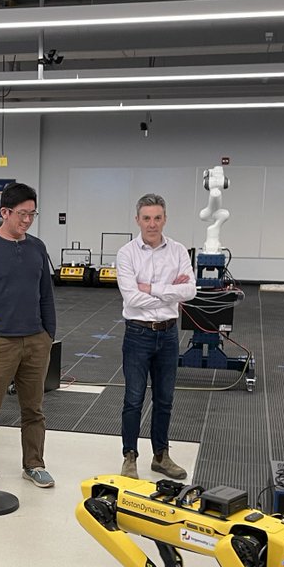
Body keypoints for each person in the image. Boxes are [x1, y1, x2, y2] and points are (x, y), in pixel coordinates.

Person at [0, 182, 57, 489]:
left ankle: (34, 464)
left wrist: (48, 334)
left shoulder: (38, 248)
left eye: (32, 214)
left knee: (33, 409)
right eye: (22, 214)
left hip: (35, 340)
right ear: (4, 212)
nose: (27, 220)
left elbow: (46, 295)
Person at [115, 193, 197, 481]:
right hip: (137, 334)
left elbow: (189, 291)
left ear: (165, 219)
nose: (152, 224)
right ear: (138, 220)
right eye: (147, 218)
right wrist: (168, 291)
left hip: (168, 334)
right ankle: (130, 457)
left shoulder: (178, 251)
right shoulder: (126, 254)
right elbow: (131, 298)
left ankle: (161, 456)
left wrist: (151, 288)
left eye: (157, 218)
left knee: (165, 399)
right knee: (133, 399)